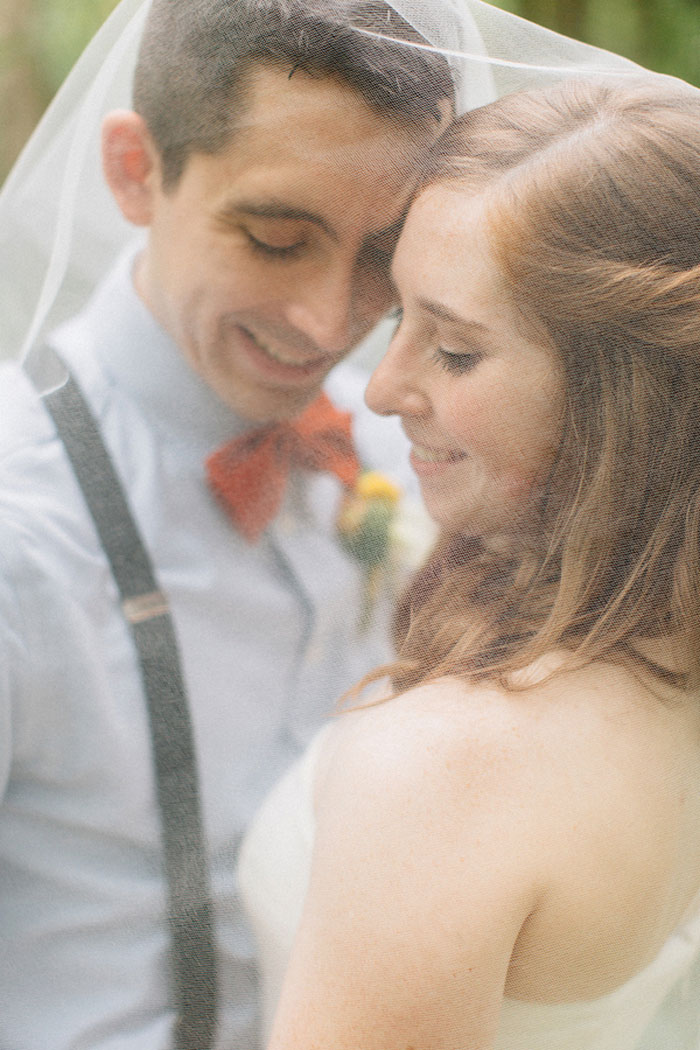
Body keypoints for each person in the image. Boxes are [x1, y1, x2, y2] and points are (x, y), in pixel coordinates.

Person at [0, 2, 459, 1047]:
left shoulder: (404, 457)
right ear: (134, 171)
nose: (330, 320)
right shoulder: (15, 529)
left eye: (383, 255)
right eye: (276, 237)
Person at [238, 76, 700, 1049]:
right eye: (397, 314)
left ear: (625, 402)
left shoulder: (446, 772)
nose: (383, 388)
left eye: (453, 351)